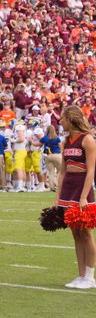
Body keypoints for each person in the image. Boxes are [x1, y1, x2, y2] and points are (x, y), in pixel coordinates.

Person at [58, 106, 96, 289]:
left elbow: (91, 171)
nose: (60, 121)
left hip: (82, 187)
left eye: (62, 118)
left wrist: (83, 197)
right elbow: (62, 171)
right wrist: (58, 197)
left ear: (71, 118)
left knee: (86, 233)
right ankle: (80, 276)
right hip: (68, 188)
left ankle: (90, 276)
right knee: (75, 233)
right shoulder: (65, 141)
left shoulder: (87, 139)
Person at [42, 124, 63, 192]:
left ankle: (52, 187)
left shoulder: (45, 138)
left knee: (51, 172)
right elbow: (60, 147)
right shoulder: (57, 138)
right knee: (60, 171)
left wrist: (32, 142)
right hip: (57, 155)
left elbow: (38, 144)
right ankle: (59, 185)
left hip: (48, 156)